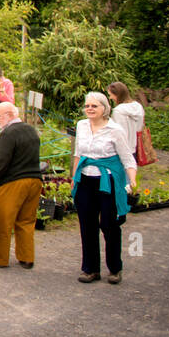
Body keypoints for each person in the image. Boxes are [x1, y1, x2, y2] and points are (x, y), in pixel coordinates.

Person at [71, 91, 137, 284]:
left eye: (94, 106)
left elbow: (127, 159)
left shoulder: (114, 130)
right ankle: (90, 269)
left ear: (104, 108)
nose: (89, 109)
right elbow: (78, 154)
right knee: (87, 225)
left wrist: (132, 181)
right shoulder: (81, 126)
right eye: (87, 106)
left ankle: (115, 268)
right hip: (85, 180)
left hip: (108, 181)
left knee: (109, 225)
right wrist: (74, 177)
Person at [0, 101, 42, 269]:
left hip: (13, 182)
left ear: (9, 115)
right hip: (34, 180)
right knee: (26, 221)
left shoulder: (8, 134)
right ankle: (26, 257)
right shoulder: (31, 130)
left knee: (3, 221)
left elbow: (1, 161)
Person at [107, 81, 145, 157]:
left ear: (117, 95)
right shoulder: (138, 107)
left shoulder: (118, 111)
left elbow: (119, 132)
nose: (110, 98)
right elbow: (140, 127)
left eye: (111, 95)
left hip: (120, 150)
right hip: (133, 147)